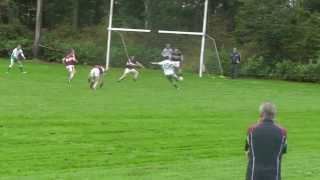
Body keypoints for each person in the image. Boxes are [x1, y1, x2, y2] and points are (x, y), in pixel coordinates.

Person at [245, 102, 287, 180]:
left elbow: (247, 153)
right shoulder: (282, 131)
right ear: (274, 115)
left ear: (261, 114)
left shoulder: (251, 129)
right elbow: (282, 154)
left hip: (254, 175)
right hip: (274, 175)